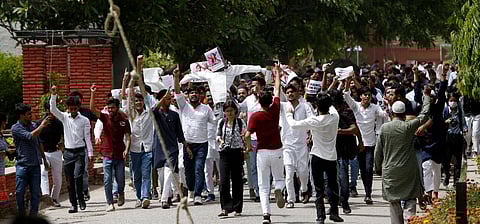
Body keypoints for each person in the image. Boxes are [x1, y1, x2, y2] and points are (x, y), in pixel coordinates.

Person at [285, 93, 344, 224]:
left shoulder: (314, 120)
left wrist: (289, 113)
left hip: (316, 156)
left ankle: (320, 216)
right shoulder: (335, 117)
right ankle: (334, 212)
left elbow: (293, 124)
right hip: (331, 157)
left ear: (316, 106)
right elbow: (332, 106)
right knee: (333, 186)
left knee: (318, 188)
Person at [374, 94, 431, 224]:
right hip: (408, 171)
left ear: (392, 113)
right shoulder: (408, 127)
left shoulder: (384, 128)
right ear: (404, 113)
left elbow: (378, 152)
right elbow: (424, 115)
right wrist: (426, 97)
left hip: (390, 172)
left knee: (394, 203)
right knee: (411, 200)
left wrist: (377, 168)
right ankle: (411, 220)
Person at [245, 65, 285, 224]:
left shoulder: (255, 116)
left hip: (261, 151)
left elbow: (247, 134)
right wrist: (277, 73)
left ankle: (266, 214)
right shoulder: (275, 109)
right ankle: (279, 189)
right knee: (279, 178)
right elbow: (277, 89)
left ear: (259, 102)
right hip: (277, 149)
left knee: (262, 185)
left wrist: (248, 146)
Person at [174, 68, 215, 205]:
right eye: (191, 93)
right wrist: (175, 77)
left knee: (199, 168)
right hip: (187, 144)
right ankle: (191, 190)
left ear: (200, 95)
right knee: (188, 170)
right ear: (188, 95)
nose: (193, 95)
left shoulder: (206, 109)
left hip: (202, 144)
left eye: (196, 93)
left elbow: (214, 122)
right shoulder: (183, 106)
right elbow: (177, 92)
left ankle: (198, 194)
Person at [344, 78, 388, 204]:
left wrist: (388, 107)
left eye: (369, 95)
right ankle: (361, 189)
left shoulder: (374, 108)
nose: (367, 97)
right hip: (357, 143)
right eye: (364, 95)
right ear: (360, 96)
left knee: (368, 168)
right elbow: (346, 95)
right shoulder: (356, 106)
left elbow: (383, 114)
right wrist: (348, 80)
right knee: (360, 169)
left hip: (370, 143)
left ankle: (368, 194)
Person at [50, 86, 93, 213]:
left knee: (78, 177)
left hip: (80, 152)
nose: (72, 111)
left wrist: (90, 153)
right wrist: (53, 95)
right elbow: (53, 109)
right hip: (68, 153)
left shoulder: (84, 120)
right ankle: (73, 204)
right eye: (70, 108)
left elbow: (87, 137)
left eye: (74, 108)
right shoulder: (64, 117)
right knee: (69, 181)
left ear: (78, 107)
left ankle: (81, 199)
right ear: (68, 108)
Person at [90, 85, 131, 212]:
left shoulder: (124, 120)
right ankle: (109, 202)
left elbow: (128, 137)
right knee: (107, 180)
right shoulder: (104, 117)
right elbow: (92, 109)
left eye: (112, 108)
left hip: (119, 154)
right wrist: (92, 94)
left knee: (120, 179)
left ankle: (121, 193)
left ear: (117, 108)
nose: (110, 110)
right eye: (108, 108)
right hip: (107, 153)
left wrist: (126, 150)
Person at [279, 83, 315, 208]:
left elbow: (312, 120)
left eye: (292, 92)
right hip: (287, 145)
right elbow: (276, 92)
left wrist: (310, 133)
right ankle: (291, 199)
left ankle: (304, 189)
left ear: (298, 93)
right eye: (287, 92)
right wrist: (277, 74)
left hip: (302, 145)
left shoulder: (305, 106)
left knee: (303, 172)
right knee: (289, 174)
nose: (290, 94)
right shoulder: (283, 107)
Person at [152, 88, 187, 209]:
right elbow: (153, 110)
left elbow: (180, 133)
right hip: (159, 148)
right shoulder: (156, 113)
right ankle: (169, 195)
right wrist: (162, 98)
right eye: (167, 98)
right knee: (162, 175)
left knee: (168, 172)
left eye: (169, 98)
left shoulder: (175, 115)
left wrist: (186, 146)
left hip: (172, 148)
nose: (169, 100)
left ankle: (164, 199)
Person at [12, 103, 50, 216]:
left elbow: (39, 143)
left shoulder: (33, 125)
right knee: (19, 192)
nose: (31, 116)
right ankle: (22, 213)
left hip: (35, 165)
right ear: (21, 115)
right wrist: (42, 125)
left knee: (36, 193)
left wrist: (44, 159)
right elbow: (30, 136)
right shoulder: (16, 128)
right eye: (29, 114)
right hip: (22, 165)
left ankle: (33, 216)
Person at [121, 78, 154, 209]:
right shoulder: (129, 114)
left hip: (147, 148)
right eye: (136, 101)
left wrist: (139, 76)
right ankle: (139, 197)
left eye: (140, 100)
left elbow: (147, 97)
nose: (139, 102)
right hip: (134, 149)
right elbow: (124, 99)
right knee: (137, 175)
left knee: (146, 173)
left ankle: (146, 196)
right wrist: (124, 82)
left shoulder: (149, 112)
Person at [216, 100, 246, 217]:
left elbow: (245, 134)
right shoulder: (221, 122)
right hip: (224, 152)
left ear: (235, 111)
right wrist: (220, 140)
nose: (229, 113)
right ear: (224, 112)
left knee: (237, 180)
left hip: (237, 152)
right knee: (223, 181)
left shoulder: (240, 122)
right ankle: (225, 207)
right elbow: (217, 135)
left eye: (231, 111)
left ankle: (237, 207)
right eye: (227, 111)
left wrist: (246, 144)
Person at [38, 103, 64, 208]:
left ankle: (54, 198)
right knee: (43, 174)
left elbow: (64, 135)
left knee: (57, 178)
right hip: (43, 152)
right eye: (50, 111)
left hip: (56, 152)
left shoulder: (59, 123)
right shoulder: (40, 123)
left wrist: (62, 144)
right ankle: (46, 196)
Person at [442, 92, 467, 186]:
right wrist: (445, 122)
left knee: (457, 160)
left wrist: (465, 129)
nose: (453, 102)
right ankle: (447, 175)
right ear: (448, 101)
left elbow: (463, 123)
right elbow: (440, 123)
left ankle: (456, 179)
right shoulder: (445, 111)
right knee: (446, 160)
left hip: (457, 138)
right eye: (451, 100)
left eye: (454, 101)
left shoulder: (460, 111)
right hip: (447, 139)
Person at [204, 91, 220, 202]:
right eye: (208, 96)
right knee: (207, 170)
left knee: (222, 169)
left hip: (220, 141)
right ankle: (210, 192)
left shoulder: (223, 108)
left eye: (212, 96)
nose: (210, 98)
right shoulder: (204, 109)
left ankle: (224, 189)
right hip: (207, 141)